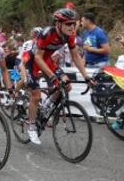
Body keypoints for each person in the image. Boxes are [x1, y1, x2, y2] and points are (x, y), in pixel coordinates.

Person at [25, 8, 93, 145]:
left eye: (74, 24)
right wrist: (52, 77)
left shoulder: (70, 35)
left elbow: (75, 56)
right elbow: (38, 58)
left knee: (67, 86)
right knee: (36, 95)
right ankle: (31, 125)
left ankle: (46, 106)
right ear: (58, 24)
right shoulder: (47, 33)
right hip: (33, 62)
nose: (72, 27)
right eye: (68, 24)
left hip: (48, 61)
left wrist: (86, 76)